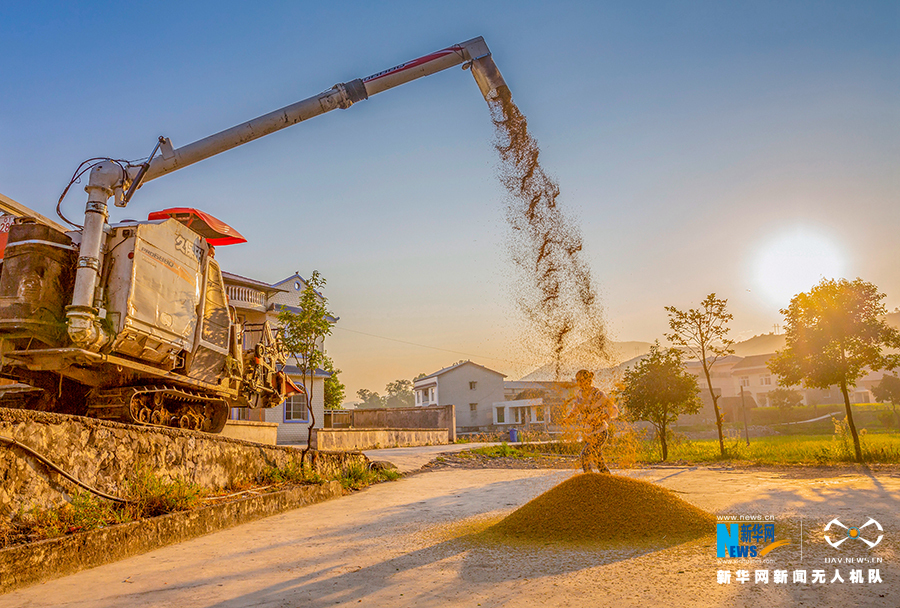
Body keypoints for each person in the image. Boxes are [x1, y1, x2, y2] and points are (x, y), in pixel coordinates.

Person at [564, 369, 619, 473]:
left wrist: (603, 416)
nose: (579, 383)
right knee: (598, 461)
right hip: (589, 434)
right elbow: (576, 409)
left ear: (588, 380)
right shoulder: (579, 395)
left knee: (584, 456)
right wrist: (568, 418)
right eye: (577, 380)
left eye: (581, 380)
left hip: (600, 433)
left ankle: (589, 481)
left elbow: (613, 408)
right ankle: (609, 481)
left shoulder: (598, 394)